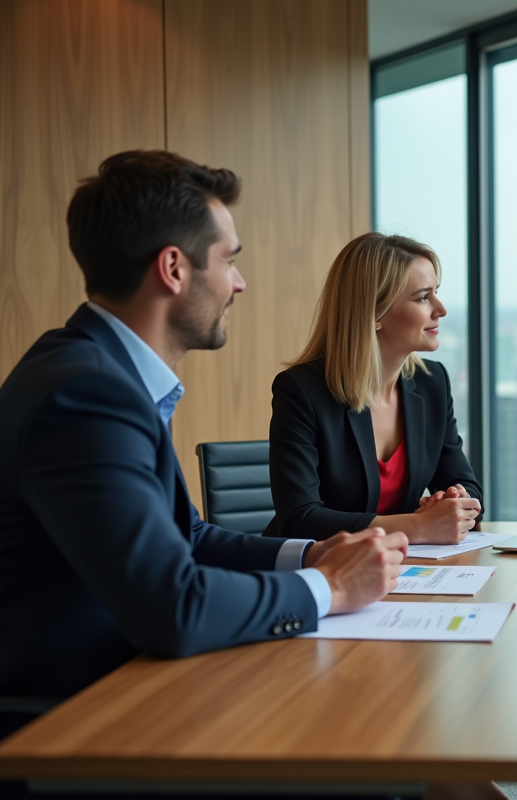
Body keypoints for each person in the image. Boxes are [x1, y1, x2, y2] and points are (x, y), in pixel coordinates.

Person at [0, 151, 407, 714]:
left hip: (129, 683)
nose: (238, 284)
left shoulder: (99, 372)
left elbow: (187, 537)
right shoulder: (87, 396)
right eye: (228, 260)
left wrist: (311, 555)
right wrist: (331, 588)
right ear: (173, 268)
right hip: (78, 719)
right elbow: (173, 607)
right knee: (372, 721)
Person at [265, 233, 481, 544]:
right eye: (423, 297)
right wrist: (417, 527)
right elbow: (300, 519)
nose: (441, 309)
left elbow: (465, 484)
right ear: (375, 313)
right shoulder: (301, 391)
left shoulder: (432, 382)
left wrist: (454, 500)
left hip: (400, 571)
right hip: (316, 573)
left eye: (436, 293)